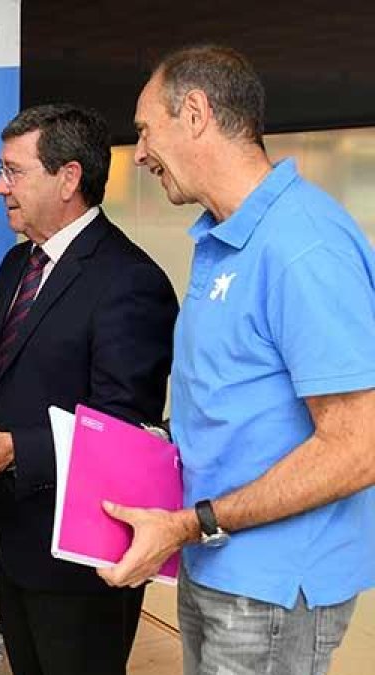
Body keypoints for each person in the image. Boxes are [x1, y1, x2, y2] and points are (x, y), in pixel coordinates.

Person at [102, 44, 375, 675]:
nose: (138, 153)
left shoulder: (303, 246)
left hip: (273, 586)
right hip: (215, 557)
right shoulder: (222, 236)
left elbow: (358, 445)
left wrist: (198, 521)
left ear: (194, 113)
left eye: (145, 129)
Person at [0, 104, 179, 675]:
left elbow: (124, 428)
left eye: (13, 171)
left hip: (83, 553)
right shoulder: (16, 264)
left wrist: (14, 449)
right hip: (18, 536)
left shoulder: (131, 282)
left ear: (68, 177)